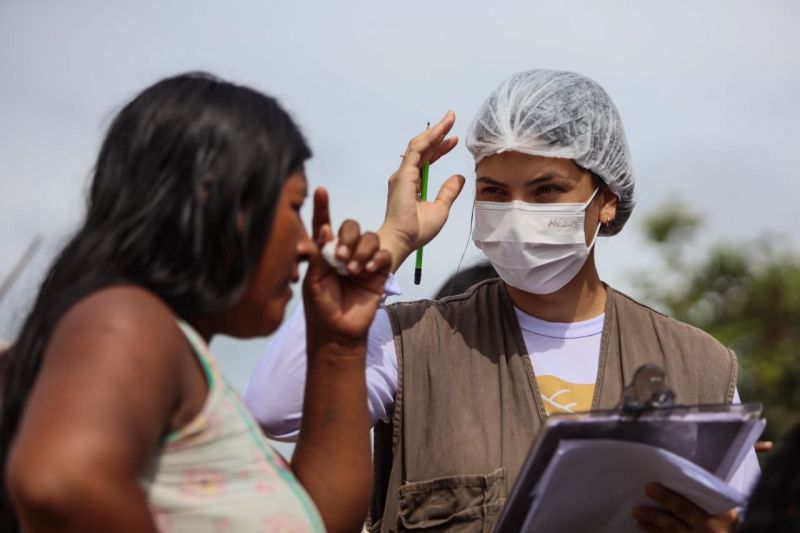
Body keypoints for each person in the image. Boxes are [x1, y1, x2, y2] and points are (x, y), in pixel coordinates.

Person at [245, 70, 760, 532]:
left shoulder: (699, 365)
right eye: (494, 191)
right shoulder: (409, 344)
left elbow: (744, 512)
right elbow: (275, 411)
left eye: (546, 190)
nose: (516, 213)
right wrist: (392, 242)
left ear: (606, 200)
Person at [0, 73, 396, 532]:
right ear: (218, 203)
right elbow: (62, 482)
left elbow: (322, 522)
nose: (308, 245)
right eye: (294, 208)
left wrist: (339, 343)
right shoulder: (127, 319)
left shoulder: (178, 358)